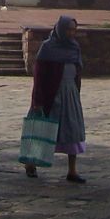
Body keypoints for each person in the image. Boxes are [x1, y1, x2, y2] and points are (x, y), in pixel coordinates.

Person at [24, 15, 87, 182]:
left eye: (74, 29)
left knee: (72, 130)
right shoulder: (48, 48)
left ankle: (72, 170)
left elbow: (77, 71)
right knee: (41, 129)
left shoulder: (74, 48)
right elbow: (39, 77)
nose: (71, 33)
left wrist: (76, 90)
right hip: (50, 93)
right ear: (60, 29)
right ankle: (31, 162)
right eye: (68, 29)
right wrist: (37, 100)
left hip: (70, 93)